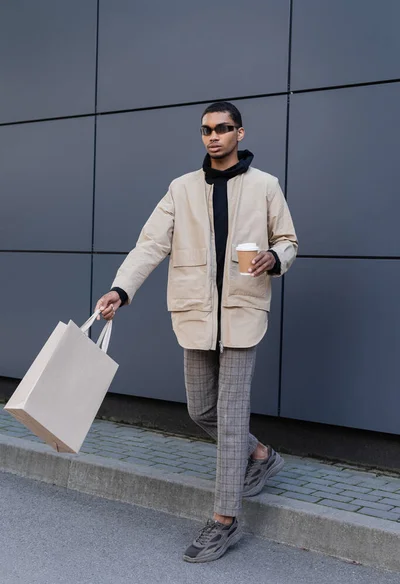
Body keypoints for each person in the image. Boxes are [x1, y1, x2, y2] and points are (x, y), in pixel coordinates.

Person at [95, 101, 298, 563]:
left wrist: (275, 257)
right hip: (196, 315)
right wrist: (120, 290)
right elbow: (150, 243)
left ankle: (223, 520)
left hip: (243, 314)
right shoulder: (181, 189)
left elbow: (288, 240)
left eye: (223, 128)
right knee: (200, 408)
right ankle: (262, 456)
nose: (213, 136)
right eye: (206, 129)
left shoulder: (266, 186)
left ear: (240, 133)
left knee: (229, 420)